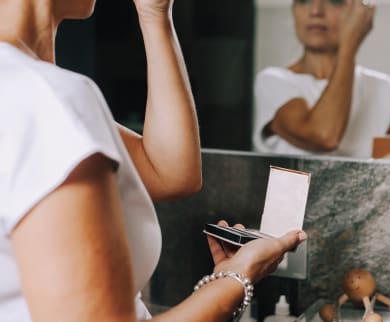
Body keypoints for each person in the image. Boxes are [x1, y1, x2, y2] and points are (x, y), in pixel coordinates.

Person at [0, 0, 307, 321]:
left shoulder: (29, 91)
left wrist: (154, 15)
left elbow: (170, 172)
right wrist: (239, 275)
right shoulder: (47, 98)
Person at [253, 0, 390, 159]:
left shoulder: (384, 89)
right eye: (303, 0)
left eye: (334, 1)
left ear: (360, 12)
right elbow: (324, 136)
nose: (315, 11)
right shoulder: (273, 81)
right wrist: (349, 46)